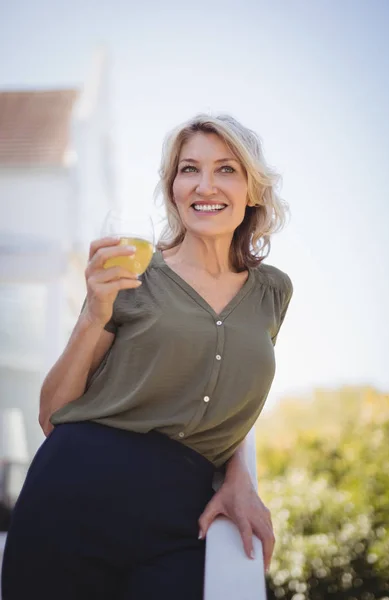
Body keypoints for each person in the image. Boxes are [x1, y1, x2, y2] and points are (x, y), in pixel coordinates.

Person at [1, 114, 293, 600]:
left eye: (225, 169)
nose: (205, 185)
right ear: (173, 188)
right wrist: (94, 313)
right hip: (75, 492)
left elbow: (236, 400)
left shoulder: (273, 292)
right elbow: (53, 414)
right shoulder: (131, 274)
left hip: (184, 515)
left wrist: (240, 477)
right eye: (188, 169)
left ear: (253, 190)